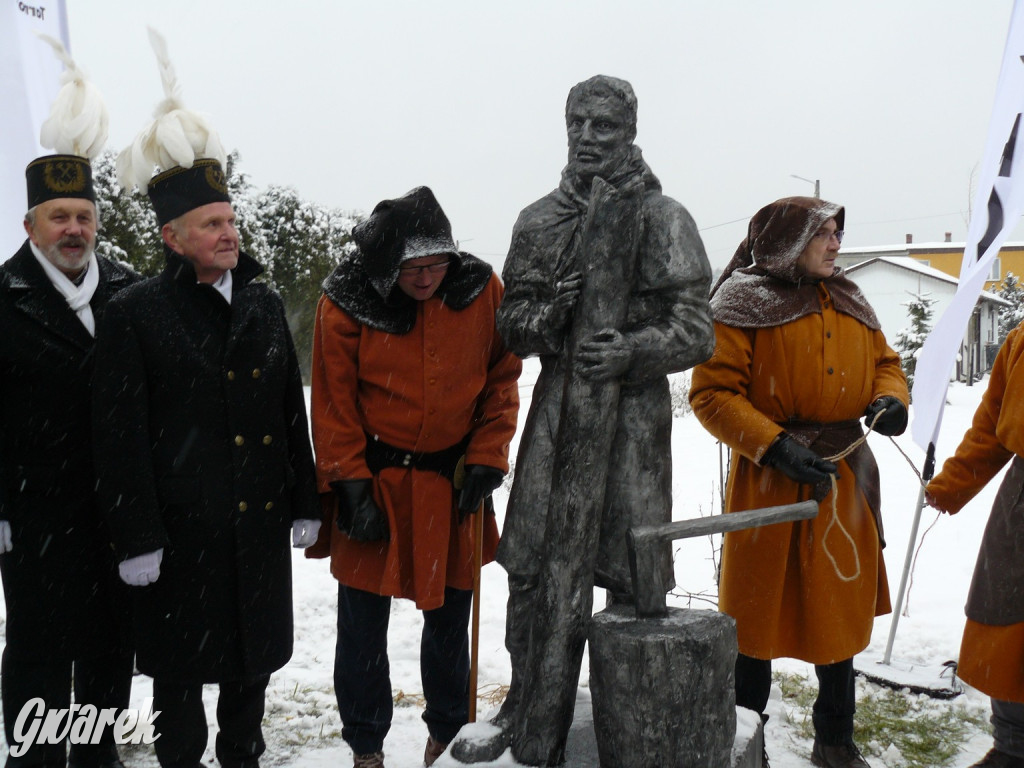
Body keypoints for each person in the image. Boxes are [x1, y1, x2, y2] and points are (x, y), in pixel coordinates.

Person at [489, 74, 715, 747]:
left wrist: (635, 349)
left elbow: (697, 329)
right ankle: (528, 701)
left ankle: (630, 714)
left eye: (605, 127)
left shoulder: (663, 217)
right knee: (531, 571)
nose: (588, 138)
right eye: (578, 124)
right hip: (558, 420)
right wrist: (548, 318)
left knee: (632, 575)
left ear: (630, 132)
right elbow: (511, 323)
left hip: (632, 423)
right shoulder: (539, 220)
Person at [91, 156, 321, 768]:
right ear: (173, 237)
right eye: (211, 223)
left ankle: (244, 758)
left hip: (255, 528)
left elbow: (286, 413)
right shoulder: (135, 312)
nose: (229, 233)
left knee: (251, 675)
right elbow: (120, 438)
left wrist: (305, 499)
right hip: (182, 532)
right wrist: (137, 535)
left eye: (230, 219)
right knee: (181, 681)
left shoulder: (262, 303)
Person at [689, 196, 909, 768]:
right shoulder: (739, 302)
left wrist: (891, 396)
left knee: (838, 615)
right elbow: (711, 395)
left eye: (838, 232)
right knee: (755, 620)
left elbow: (886, 360)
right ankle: (745, 743)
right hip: (770, 482)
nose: (836, 243)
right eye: (824, 234)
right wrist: (776, 447)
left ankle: (835, 742)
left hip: (842, 477)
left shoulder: (849, 297)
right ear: (788, 241)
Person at [306, 186, 521, 768]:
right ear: (384, 264)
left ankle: (447, 737)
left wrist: (488, 455)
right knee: (362, 628)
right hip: (375, 484)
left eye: (435, 264)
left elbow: (502, 378)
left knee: (451, 621)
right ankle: (367, 745)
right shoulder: (346, 299)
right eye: (410, 267)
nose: (426, 278)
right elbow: (333, 398)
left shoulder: (481, 288)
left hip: (452, 485)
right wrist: (349, 484)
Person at [0, 152, 138, 768]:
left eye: (83, 216)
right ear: (31, 226)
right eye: (59, 217)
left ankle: (97, 754)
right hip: (35, 515)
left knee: (111, 647)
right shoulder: (5, 298)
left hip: (117, 513)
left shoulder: (131, 292)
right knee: (40, 651)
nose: (73, 230)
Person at [925, 324, 1024, 768]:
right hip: (1022, 509)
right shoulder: (1022, 340)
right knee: (1010, 624)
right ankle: (1013, 747)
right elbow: (992, 421)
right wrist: (952, 484)